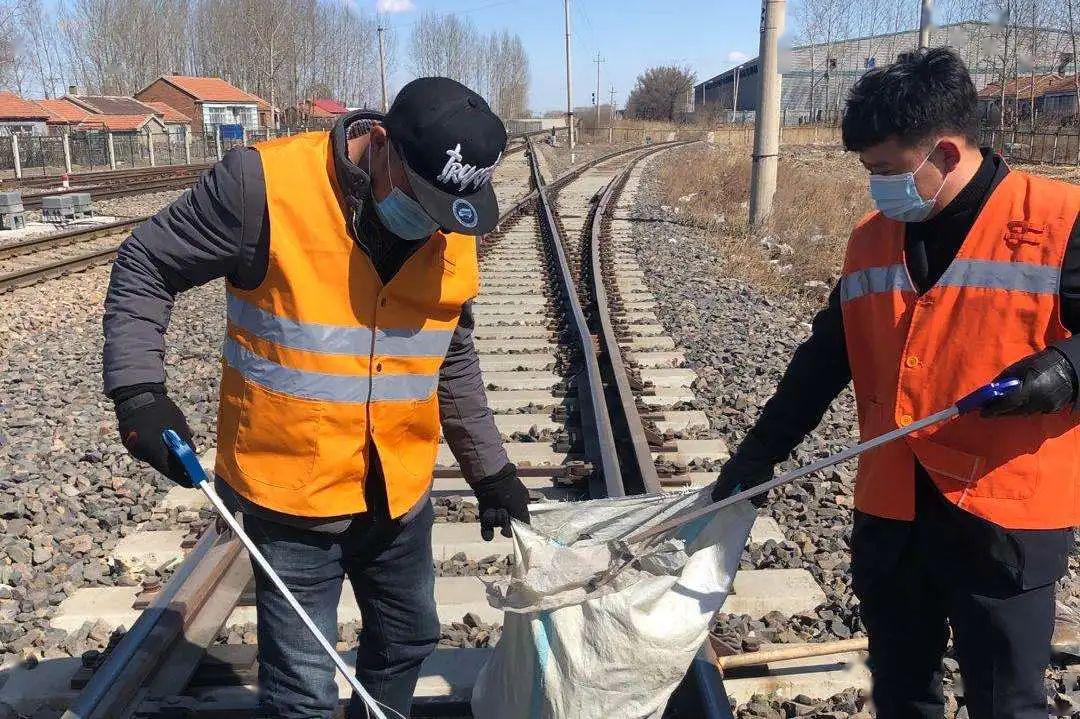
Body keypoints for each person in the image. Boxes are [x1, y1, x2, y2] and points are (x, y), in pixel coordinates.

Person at [102, 77, 531, 719]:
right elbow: (145, 264)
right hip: (291, 490)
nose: (436, 224)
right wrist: (139, 393)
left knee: (411, 636)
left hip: (397, 488)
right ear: (379, 143)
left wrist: (491, 472)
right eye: (425, 199)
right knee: (303, 691)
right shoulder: (262, 188)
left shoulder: (453, 211)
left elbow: (452, 355)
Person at [714, 49, 1080, 718]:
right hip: (893, 516)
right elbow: (825, 359)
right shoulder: (872, 239)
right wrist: (755, 456)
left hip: (1001, 523)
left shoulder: (1060, 221)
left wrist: (1067, 369)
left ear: (942, 151)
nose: (876, 187)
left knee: (1007, 702)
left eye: (884, 169)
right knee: (903, 692)